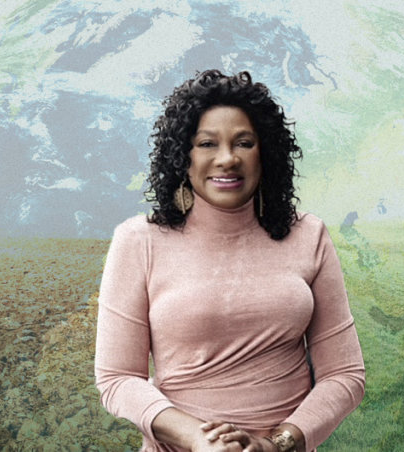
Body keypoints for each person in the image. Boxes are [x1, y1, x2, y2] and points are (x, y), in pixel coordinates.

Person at [94, 69, 364, 452]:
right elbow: (117, 378)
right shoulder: (139, 241)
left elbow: (345, 375)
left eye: (244, 142)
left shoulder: (309, 235)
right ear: (181, 157)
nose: (227, 159)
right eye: (207, 143)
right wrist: (198, 439)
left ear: (265, 152)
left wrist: (277, 443)